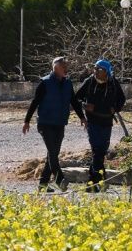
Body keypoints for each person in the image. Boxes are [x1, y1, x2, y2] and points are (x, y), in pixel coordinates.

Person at [23, 57, 86, 192]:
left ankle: (42, 185)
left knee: (53, 154)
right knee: (52, 152)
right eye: (64, 66)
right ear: (56, 68)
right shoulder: (44, 83)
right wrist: (27, 121)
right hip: (45, 124)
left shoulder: (68, 83)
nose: (66, 68)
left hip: (60, 123)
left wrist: (82, 117)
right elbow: (35, 102)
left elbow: (74, 101)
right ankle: (60, 180)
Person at [74, 59, 125, 192]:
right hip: (93, 122)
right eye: (95, 69)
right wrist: (85, 106)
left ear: (106, 71)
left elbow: (122, 99)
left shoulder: (113, 83)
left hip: (107, 122)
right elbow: (76, 98)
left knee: (101, 152)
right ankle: (100, 181)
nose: (95, 72)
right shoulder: (90, 82)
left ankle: (92, 183)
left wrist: (115, 108)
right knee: (97, 150)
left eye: (99, 70)